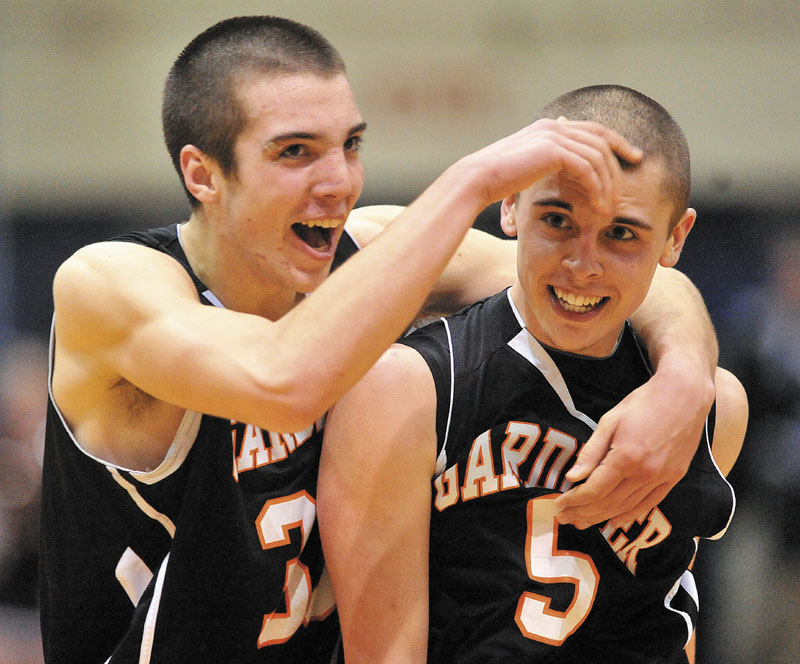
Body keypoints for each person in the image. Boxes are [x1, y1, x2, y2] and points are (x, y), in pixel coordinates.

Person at [39, 13, 717, 662]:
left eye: (350, 146)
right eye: (296, 153)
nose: (338, 182)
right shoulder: (109, 284)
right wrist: (474, 179)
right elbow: (283, 381)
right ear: (203, 174)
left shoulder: (364, 253)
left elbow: (615, 281)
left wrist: (684, 377)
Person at [318, 85, 748, 664]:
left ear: (677, 237)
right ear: (510, 208)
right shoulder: (411, 385)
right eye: (558, 220)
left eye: (621, 233)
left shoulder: (710, 405)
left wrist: (689, 374)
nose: (582, 264)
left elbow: (670, 614)